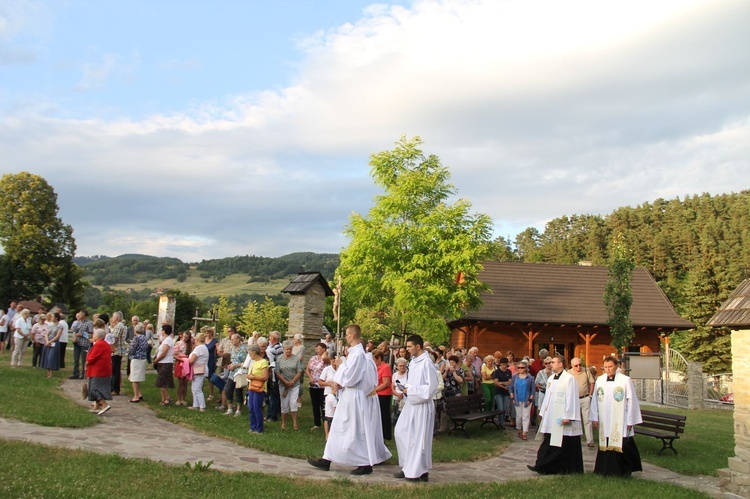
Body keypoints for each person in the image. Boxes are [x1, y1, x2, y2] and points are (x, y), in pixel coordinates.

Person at [308, 324, 392, 475]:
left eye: (347, 335)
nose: (345, 337)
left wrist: (341, 365)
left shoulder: (359, 355)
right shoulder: (355, 354)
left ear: (353, 336)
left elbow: (352, 378)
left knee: (355, 429)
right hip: (349, 394)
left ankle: (365, 462)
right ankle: (327, 459)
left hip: (354, 396)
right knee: (339, 427)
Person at [528, 355, 584, 475]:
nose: (550, 364)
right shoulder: (551, 378)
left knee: (565, 442)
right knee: (550, 441)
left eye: (553, 362)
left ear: (561, 364)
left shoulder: (569, 379)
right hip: (551, 416)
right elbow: (548, 397)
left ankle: (563, 467)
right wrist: (544, 412)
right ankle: (544, 466)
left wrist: (568, 416)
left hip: (563, 417)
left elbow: (572, 397)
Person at [393, 334, 438, 482]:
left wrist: (410, 391)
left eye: (409, 346)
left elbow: (431, 387)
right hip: (411, 403)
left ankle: (417, 471)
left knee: (418, 438)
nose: (407, 349)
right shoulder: (412, 362)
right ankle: (408, 466)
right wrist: (406, 388)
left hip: (422, 405)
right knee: (401, 431)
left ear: (418, 347)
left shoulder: (427, 363)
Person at [590, 356, 643, 477]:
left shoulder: (625, 380)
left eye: (610, 367)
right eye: (606, 367)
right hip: (604, 418)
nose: (608, 370)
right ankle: (604, 469)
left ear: (616, 367)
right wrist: (594, 417)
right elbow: (595, 400)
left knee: (621, 442)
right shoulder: (600, 380)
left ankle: (622, 470)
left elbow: (632, 400)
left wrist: (630, 419)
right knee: (606, 442)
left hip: (620, 418)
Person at [568, 356, 596, 447]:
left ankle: (590, 440)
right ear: (572, 366)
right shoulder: (569, 373)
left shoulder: (586, 371)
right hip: (574, 399)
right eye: (576, 365)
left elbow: (592, 382)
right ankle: (573, 439)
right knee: (574, 419)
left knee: (587, 419)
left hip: (585, 398)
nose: (578, 367)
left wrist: (590, 395)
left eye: (580, 365)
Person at [276, 340, 304, 430]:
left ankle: (295, 424)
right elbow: (277, 372)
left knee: (293, 403)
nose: (288, 351)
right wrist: (285, 382)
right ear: (284, 349)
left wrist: (292, 381)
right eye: (287, 349)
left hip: (294, 384)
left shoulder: (296, 358)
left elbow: (299, 371)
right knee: (284, 404)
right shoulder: (279, 358)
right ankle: (283, 424)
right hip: (283, 385)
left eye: (290, 349)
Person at [86, 328, 113, 415]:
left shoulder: (99, 344)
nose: (92, 336)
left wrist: (87, 362)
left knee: (94, 388)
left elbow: (92, 357)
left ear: (97, 336)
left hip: (99, 370)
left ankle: (104, 405)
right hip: (102, 370)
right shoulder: (104, 344)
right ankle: (96, 407)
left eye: (94, 334)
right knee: (93, 387)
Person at [222, 333, 247, 416]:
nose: (232, 341)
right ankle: (229, 408)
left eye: (233, 339)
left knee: (238, 391)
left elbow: (245, 363)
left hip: (239, 372)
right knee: (228, 389)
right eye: (231, 339)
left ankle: (238, 410)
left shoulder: (243, 349)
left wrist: (235, 365)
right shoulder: (233, 349)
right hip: (232, 373)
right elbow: (232, 359)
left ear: (238, 339)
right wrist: (230, 365)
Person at [246, 343, 269, 433]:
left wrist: (253, 377)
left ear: (254, 352)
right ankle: (253, 426)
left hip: (260, 388)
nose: (250, 355)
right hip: (252, 387)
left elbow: (265, 377)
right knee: (251, 407)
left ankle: (259, 428)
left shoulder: (263, 362)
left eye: (250, 353)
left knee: (256, 407)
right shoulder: (254, 363)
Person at [510, 360, 534, 440]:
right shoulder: (515, 377)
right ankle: (519, 429)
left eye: (522, 368)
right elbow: (511, 388)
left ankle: (524, 432)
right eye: (519, 368)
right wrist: (512, 398)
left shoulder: (530, 378)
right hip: (517, 399)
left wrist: (530, 400)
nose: (520, 369)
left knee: (526, 416)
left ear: (526, 368)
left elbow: (532, 390)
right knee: (519, 416)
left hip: (526, 399)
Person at [305, 342, 327, 431]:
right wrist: (310, 378)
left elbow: (326, 359)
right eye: (316, 348)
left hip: (322, 385)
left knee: (323, 404)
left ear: (324, 349)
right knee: (315, 404)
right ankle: (316, 423)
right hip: (313, 384)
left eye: (319, 348)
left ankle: (326, 421)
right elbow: (307, 369)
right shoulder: (313, 358)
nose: (317, 350)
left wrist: (325, 353)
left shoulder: (325, 359)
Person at [372, 348, 393, 440]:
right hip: (377, 393)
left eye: (374, 359)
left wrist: (374, 390)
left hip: (384, 394)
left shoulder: (385, 367)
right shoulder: (375, 368)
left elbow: (386, 383)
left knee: (384, 414)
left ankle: (386, 435)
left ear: (379, 358)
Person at [153, 324, 175, 406]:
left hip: (166, 362)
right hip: (162, 363)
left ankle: (168, 398)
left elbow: (163, 353)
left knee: (160, 382)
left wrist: (156, 360)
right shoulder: (165, 340)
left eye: (162, 330)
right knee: (163, 382)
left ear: (164, 331)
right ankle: (163, 399)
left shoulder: (168, 340)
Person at [127, 323, 149, 403]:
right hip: (143, 358)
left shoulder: (136, 338)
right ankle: (139, 394)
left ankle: (136, 396)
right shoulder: (144, 338)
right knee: (137, 377)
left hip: (136, 358)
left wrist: (129, 352)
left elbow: (132, 348)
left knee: (134, 378)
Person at [265, 331, 283, 422]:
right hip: (272, 373)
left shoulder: (276, 348)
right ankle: (270, 413)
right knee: (271, 395)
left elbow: (273, 361)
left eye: (270, 337)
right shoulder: (272, 347)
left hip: (274, 374)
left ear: (274, 338)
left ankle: (273, 415)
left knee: (273, 395)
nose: (269, 338)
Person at [188, 332, 209, 412]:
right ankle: (195, 404)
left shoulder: (199, 348)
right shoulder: (204, 347)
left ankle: (202, 406)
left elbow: (192, 360)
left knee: (197, 389)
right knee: (194, 388)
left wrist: (187, 361)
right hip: (200, 369)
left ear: (196, 340)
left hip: (199, 369)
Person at [70, 309, 93, 379]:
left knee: (83, 359)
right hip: (77, 342)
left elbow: (90, 334)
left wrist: (81, 334)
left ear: (83, 314)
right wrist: (74, 337)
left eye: (80, 314)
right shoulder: (78, 322)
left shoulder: (89, 323)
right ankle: (75, 373)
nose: (79, 315)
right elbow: (74, 331)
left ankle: (83, 374)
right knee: (76, 359)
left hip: (84, 343)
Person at [40, 312, 63, 378]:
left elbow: (57, 336)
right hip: (48, 342)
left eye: (52, 317)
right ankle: (47, 372)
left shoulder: (60, 326)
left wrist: (50, 341)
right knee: (47, 356)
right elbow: (46, 334)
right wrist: (47, 341)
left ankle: (51, 373)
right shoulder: (50, 325)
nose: (51, 318)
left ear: (56, 318)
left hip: (54, 342)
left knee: (51, 357)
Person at [110, 312, 127, 396]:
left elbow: (114, 338)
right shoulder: (120, 326)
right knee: (114, 370)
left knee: (115, 371)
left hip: (116, 351)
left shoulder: (119, 326)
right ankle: (113, 387)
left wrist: (109, 345)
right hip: (117, 351)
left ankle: (115, 389)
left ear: (116, 318)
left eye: (113, 317)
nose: (112, 319)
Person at [492, 357, 512, 427]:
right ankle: (501, 423)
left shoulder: (509, 371)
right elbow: (495, 382)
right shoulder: (497, 372)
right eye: (503, 364)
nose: (504, 366)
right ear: (500, 364)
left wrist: (500, 382)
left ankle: (502, 422)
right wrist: (503, 385)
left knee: (504, 408)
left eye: (505, 365)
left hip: (506, 393)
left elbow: (509, 382)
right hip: (499, 392)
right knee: (500, 408)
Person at [535, 356, 553, 425]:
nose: (548, 365)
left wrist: (549, 375)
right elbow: (536, 383)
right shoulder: (541, 372)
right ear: (544, 364)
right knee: (540, 407)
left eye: (549, 363)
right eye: (546, 363)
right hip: (542, 392)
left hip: (551, 393)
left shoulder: (554, 372)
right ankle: (540, 424)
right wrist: (543, 387)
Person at [204, 327, 218, 401]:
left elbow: (218, 350)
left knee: (210, 377)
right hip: (204, 359)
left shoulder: (215, 341)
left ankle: (211, 393)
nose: (208, 334)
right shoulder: (203, 340)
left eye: (209, 333)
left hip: (211, 359)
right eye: (207, 333)